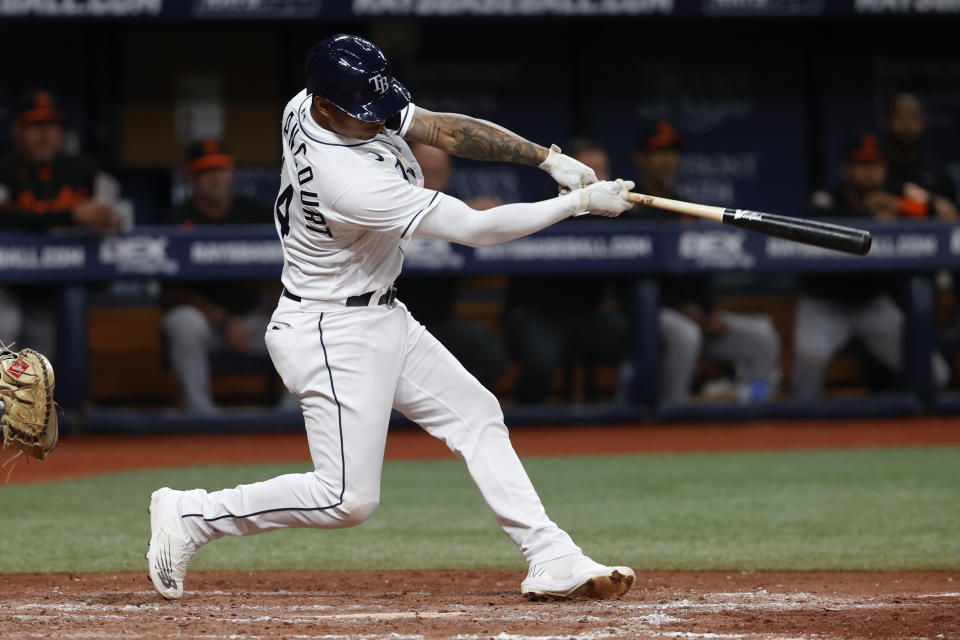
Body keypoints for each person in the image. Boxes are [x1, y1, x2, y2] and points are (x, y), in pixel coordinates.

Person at [146, 34, 636, 602]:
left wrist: (548, 159)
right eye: (363, 113)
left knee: (476, 413)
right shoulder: (348, 182)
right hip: (331, 329)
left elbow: (440, 128)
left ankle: (551, 555)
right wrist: (575, 204)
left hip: (379, 313)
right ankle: (192, 515)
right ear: (325, 106)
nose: (379, 121)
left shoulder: (309, 103)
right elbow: (477, 232)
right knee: (346, 500)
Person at [627, 121, 780, 403]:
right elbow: (627, 282)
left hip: (695, 315)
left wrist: (707, 313)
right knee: (685, 335)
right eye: (659, 153)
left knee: (763, 338)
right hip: (648, 315)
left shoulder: (685, 206)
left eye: (673, 153)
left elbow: (701, 269)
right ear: (641, 159)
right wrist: (688, 314)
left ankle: (756, 409)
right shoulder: (625, 206)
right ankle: (673, 413)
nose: (668, 161)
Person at [794, 133, 950, 400]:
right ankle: (799, 435)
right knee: (808, 365)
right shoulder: (827, 197)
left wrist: (899, 206)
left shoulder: (897, 194)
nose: (869, 173)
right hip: (825, 303)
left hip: (872, 304)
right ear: (847, 169)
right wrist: (870, 218)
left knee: (936, 373)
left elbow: (947, 215)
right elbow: (814, 221)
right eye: (862, 165)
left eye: (876, 165)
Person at [162, 139, 288, 413]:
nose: (215, 178)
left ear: (231, 172)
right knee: (181, 322)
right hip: (208, 326)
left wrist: (272, 307)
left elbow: (288, 272)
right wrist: (224, 320)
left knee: (302, 320)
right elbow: (171, 292)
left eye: (220, 170)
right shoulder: (178, 219)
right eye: (205, 172)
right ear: (191, 177)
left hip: (255, 323)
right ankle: (200, 412)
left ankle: (294, 414)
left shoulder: (256, 214)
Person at [503, 137, 628, 403]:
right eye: (589, 172)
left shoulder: (616, 217)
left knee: (638, 342)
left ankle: (628, 423)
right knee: (542, 361)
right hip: (537, 312)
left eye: (602, 171)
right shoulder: (543, 208)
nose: (597, 180)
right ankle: (524, 420)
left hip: (586, 313)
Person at [0, 89, 120, 358]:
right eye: (34, 126)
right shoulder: (4, 169)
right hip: (7, 283)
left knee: (43, 357)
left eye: (51, 126)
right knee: (5, 324)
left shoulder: (83, 170)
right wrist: (69, 216)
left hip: (54, 287)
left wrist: (109, 218)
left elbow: (111, 212)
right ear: (16, 130)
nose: (44, 134)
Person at [395, 143, 509, 388]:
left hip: (440, 319)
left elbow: (489, 212)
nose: (434, 180)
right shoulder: (389, 200)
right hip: (390, 318)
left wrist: (477, 213)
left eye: (440, 173)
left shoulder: (452, 204)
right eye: (427, 171)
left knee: (490, 355)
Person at [881, 92, 957, 222]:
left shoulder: (937, 173)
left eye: (913, 117)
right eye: (900, 117)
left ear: (922, 123)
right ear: (886, 122)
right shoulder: (875, 168)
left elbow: (951, 213)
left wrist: (900, 205)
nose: (907, 125)